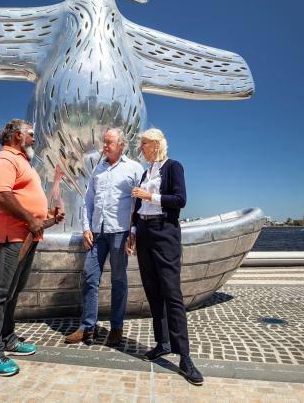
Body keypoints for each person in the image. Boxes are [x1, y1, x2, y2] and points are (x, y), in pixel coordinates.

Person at [0, 118, 65, 377]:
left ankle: (7, 338)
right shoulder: (4, 160)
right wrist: (31, 219)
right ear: (17, 135)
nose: (34, 138)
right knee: (0, 293)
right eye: (31, 134)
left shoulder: (22, 162)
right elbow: (1, 195)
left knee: (13, 292)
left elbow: (25, 200)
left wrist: (46, 215)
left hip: (26, 236)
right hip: (11, 237)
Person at [127, 128, 204, 386]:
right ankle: (162, 343)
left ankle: (185, 357)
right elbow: (138, 208)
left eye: (145, 144)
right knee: (152, 291)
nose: (141, 148)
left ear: (156, 144)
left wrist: (149, 195)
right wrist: (134, 233)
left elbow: (180, 200)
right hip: (146, 232)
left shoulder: (173, 167)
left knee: (172, 293)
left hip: (165, 232)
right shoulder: (146, 171)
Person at [64, 128, 143, 346]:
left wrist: (133, 233)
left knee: (119, 281)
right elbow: (88, 202)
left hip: (119, 233)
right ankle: (87, 327)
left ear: (121, 145)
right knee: (90, 278)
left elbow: (140, 204)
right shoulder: (98, 170)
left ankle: (116, 328)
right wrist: (86, 228)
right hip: (97, 233)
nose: (104, 146)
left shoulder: (134, 168)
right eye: (104, 143)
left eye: (109, 143)